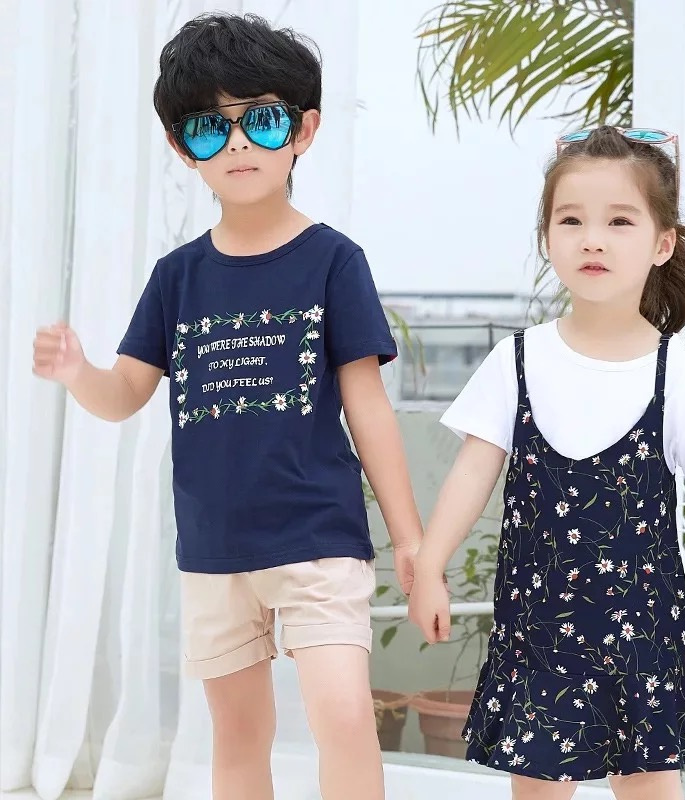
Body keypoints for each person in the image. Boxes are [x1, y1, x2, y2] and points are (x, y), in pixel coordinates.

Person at [32, 13, 423, 800]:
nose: (238, 144)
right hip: (213, 545)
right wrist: (79, 373)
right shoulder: (177, 278)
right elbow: (126, 394)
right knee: (238, 737)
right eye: (211, 128)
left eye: (262, 120)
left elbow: (368, 408)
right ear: (183, 149)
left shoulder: (333, 261)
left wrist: (410, 537)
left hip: (317, 534)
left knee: (344, 715)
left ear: (303, 130)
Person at [409, 126, 685, 800]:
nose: (592, 239)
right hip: (539, 633)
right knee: (538, 792)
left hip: (643, 640)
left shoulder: (684, 379)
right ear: (546, 238)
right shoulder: (515, 362)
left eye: (619, 221)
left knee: (649, 790)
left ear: (662, 244)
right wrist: (430, 568)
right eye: (571, 220)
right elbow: (473, 472)